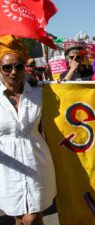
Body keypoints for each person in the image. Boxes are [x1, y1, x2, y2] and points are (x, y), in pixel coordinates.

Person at [0, 35, 56, 225]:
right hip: (7, 165)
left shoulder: (39, 93)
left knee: (32, 217)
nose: (13, 72)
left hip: (36, 160)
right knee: (19, 218)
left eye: (18, 66)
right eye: (7, 67)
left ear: (25, 68)